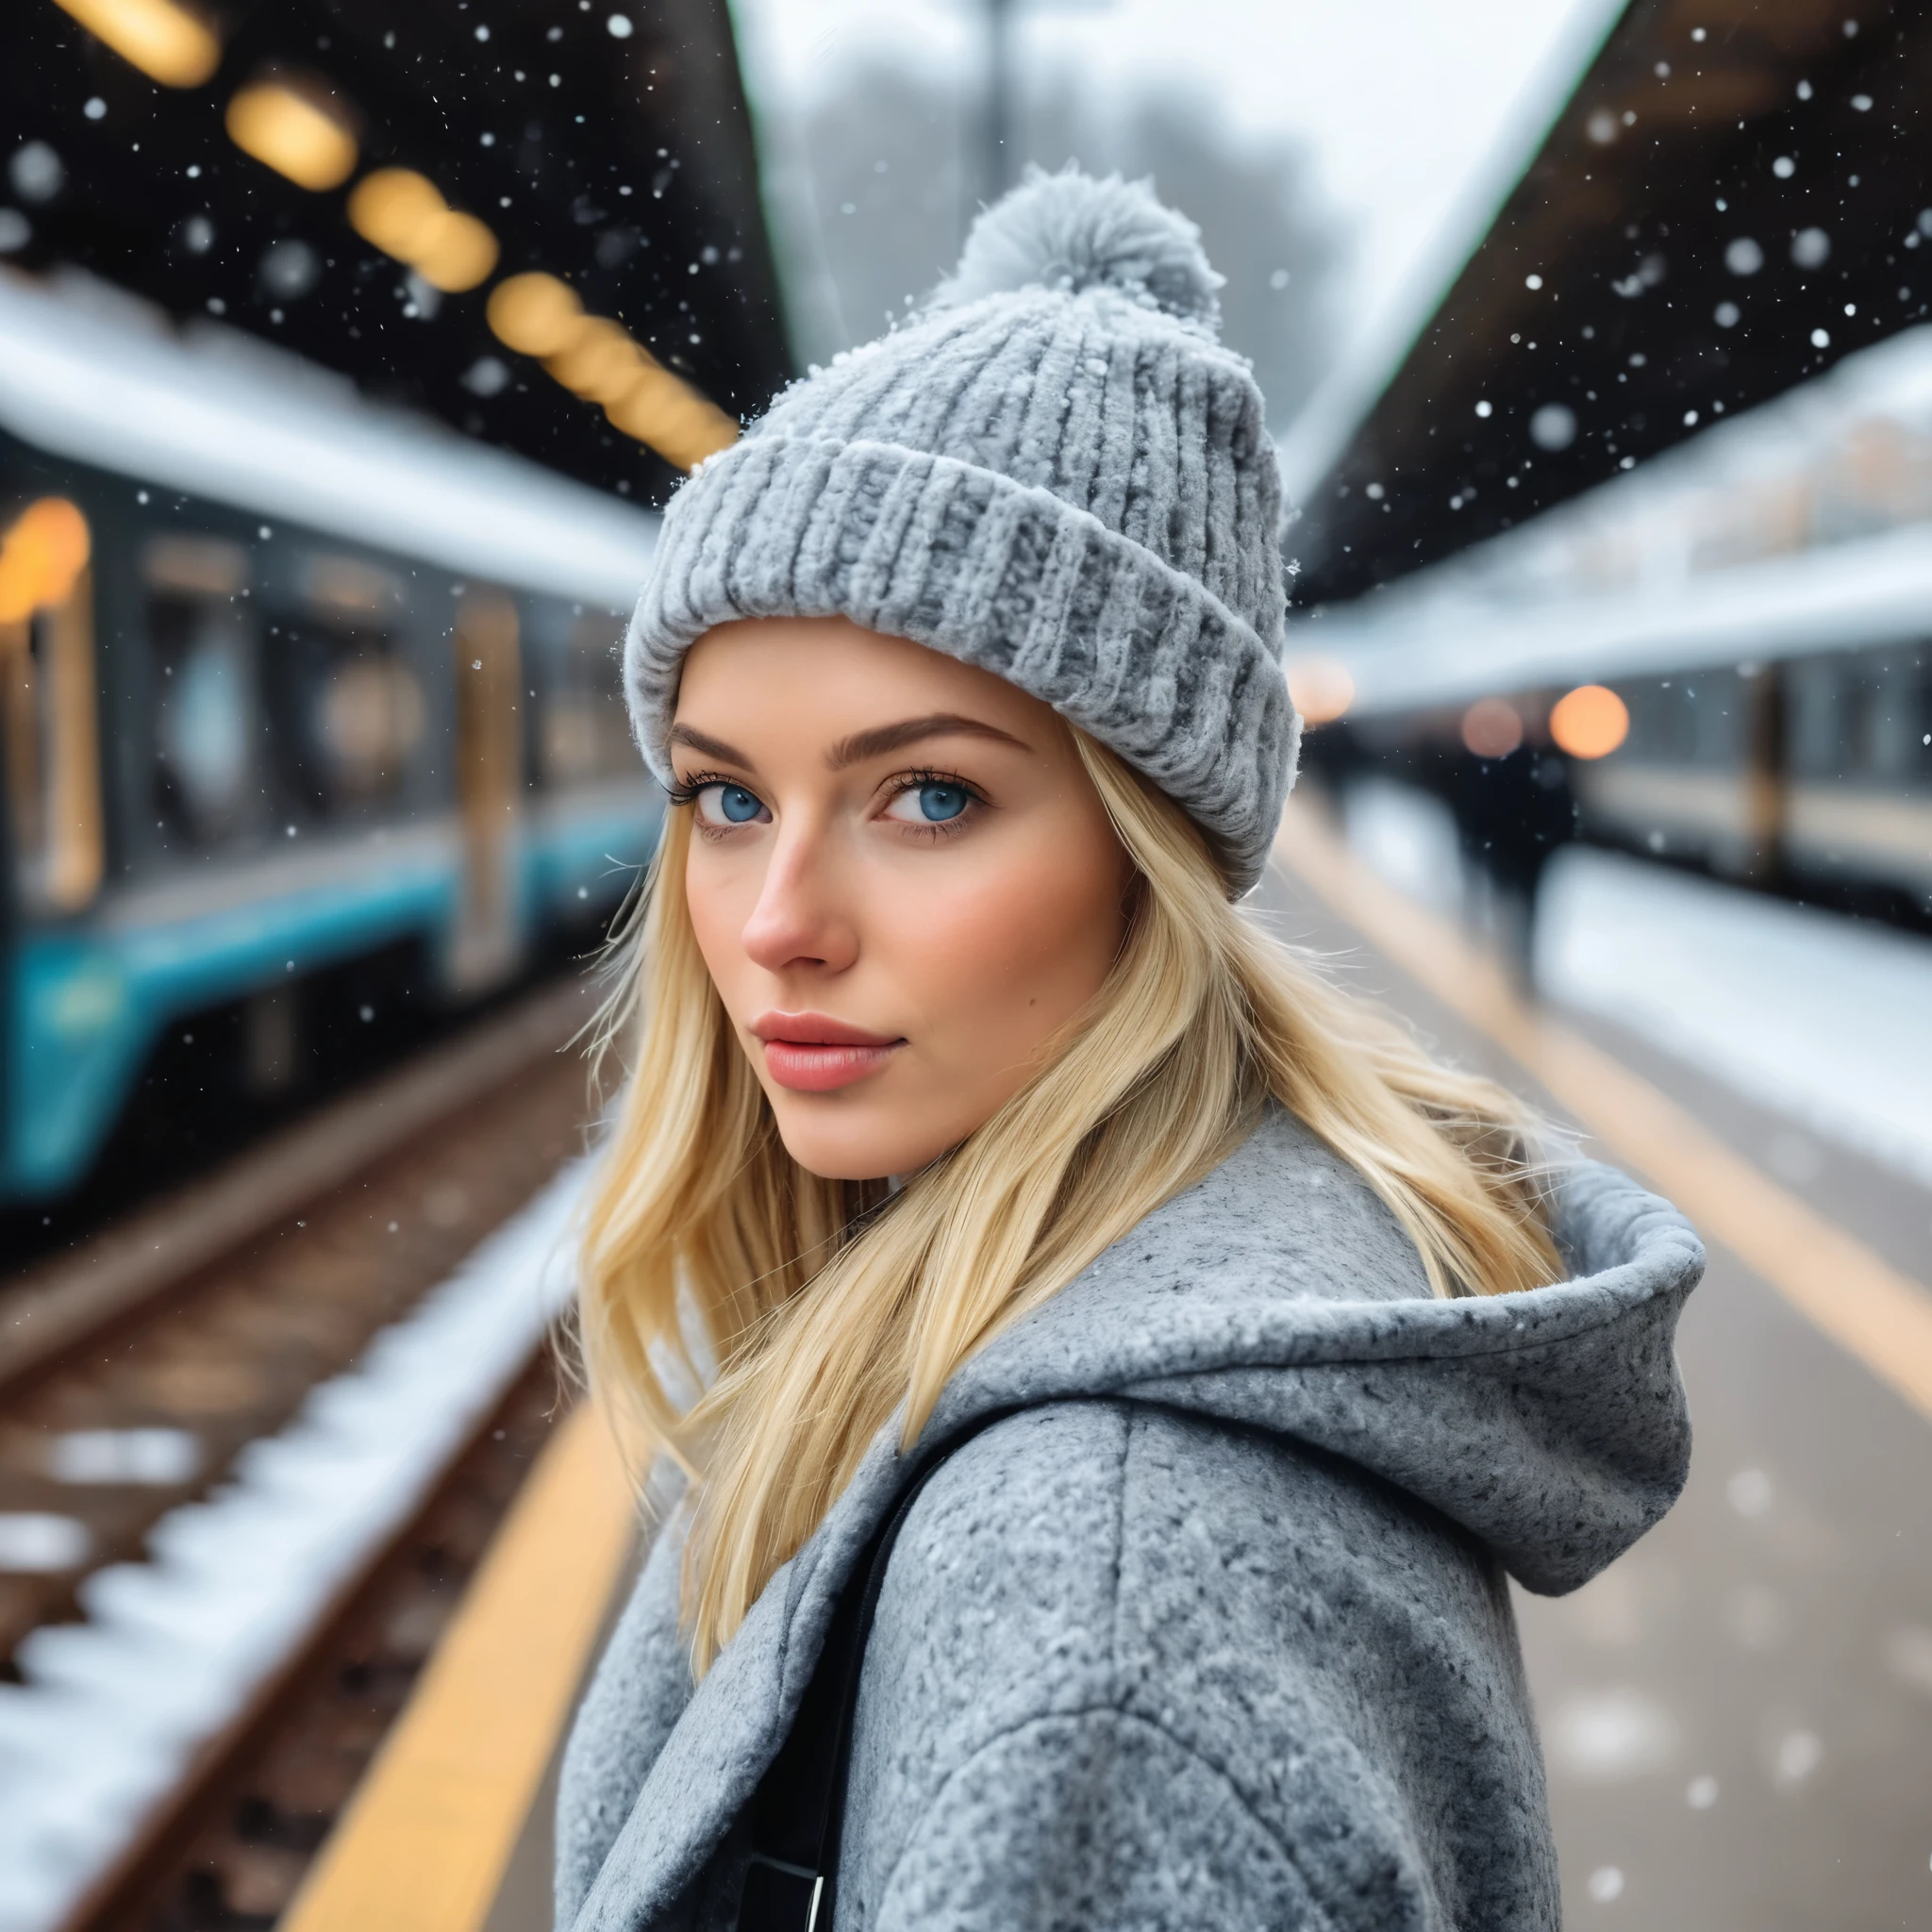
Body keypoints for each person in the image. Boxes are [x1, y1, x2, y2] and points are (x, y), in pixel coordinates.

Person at [557, 171, 1702, 1932]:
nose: (775, 916)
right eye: (724, 796)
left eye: (927, 795)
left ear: (1149, 853)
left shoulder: (1095, 1617)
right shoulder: (1046, 1327)